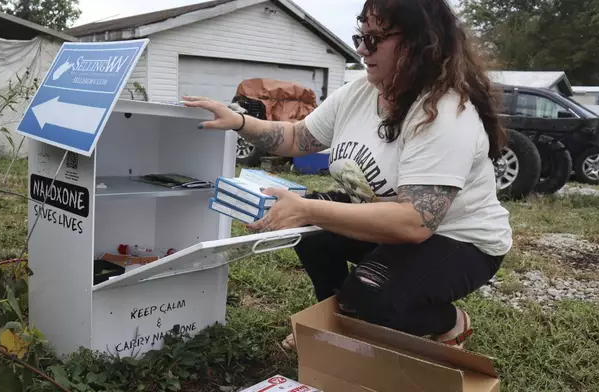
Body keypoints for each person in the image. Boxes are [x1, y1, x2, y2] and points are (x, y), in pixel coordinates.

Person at [183, 0, 512, 350]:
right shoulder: (360, 92)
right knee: (309, 227)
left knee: (367, 294)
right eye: (361, 36)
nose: (360, 49)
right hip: (392, 220)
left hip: (457, 239)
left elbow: (415, 223)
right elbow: (298, 138)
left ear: (419, 41)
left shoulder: (444, 113)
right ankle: (338, 320)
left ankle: (448, 322)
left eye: (373, 39)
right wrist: (241, 122)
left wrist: (308, 209)